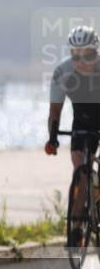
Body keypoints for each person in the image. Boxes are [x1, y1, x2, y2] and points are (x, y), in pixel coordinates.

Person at [45, 25, 100, 247]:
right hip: (82, 122)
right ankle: (76, 228)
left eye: (87, 54)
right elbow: (54, 112)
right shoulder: (63, 72)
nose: (82, 61)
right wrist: (53, 138)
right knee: (81, 172)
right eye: (75, 55)